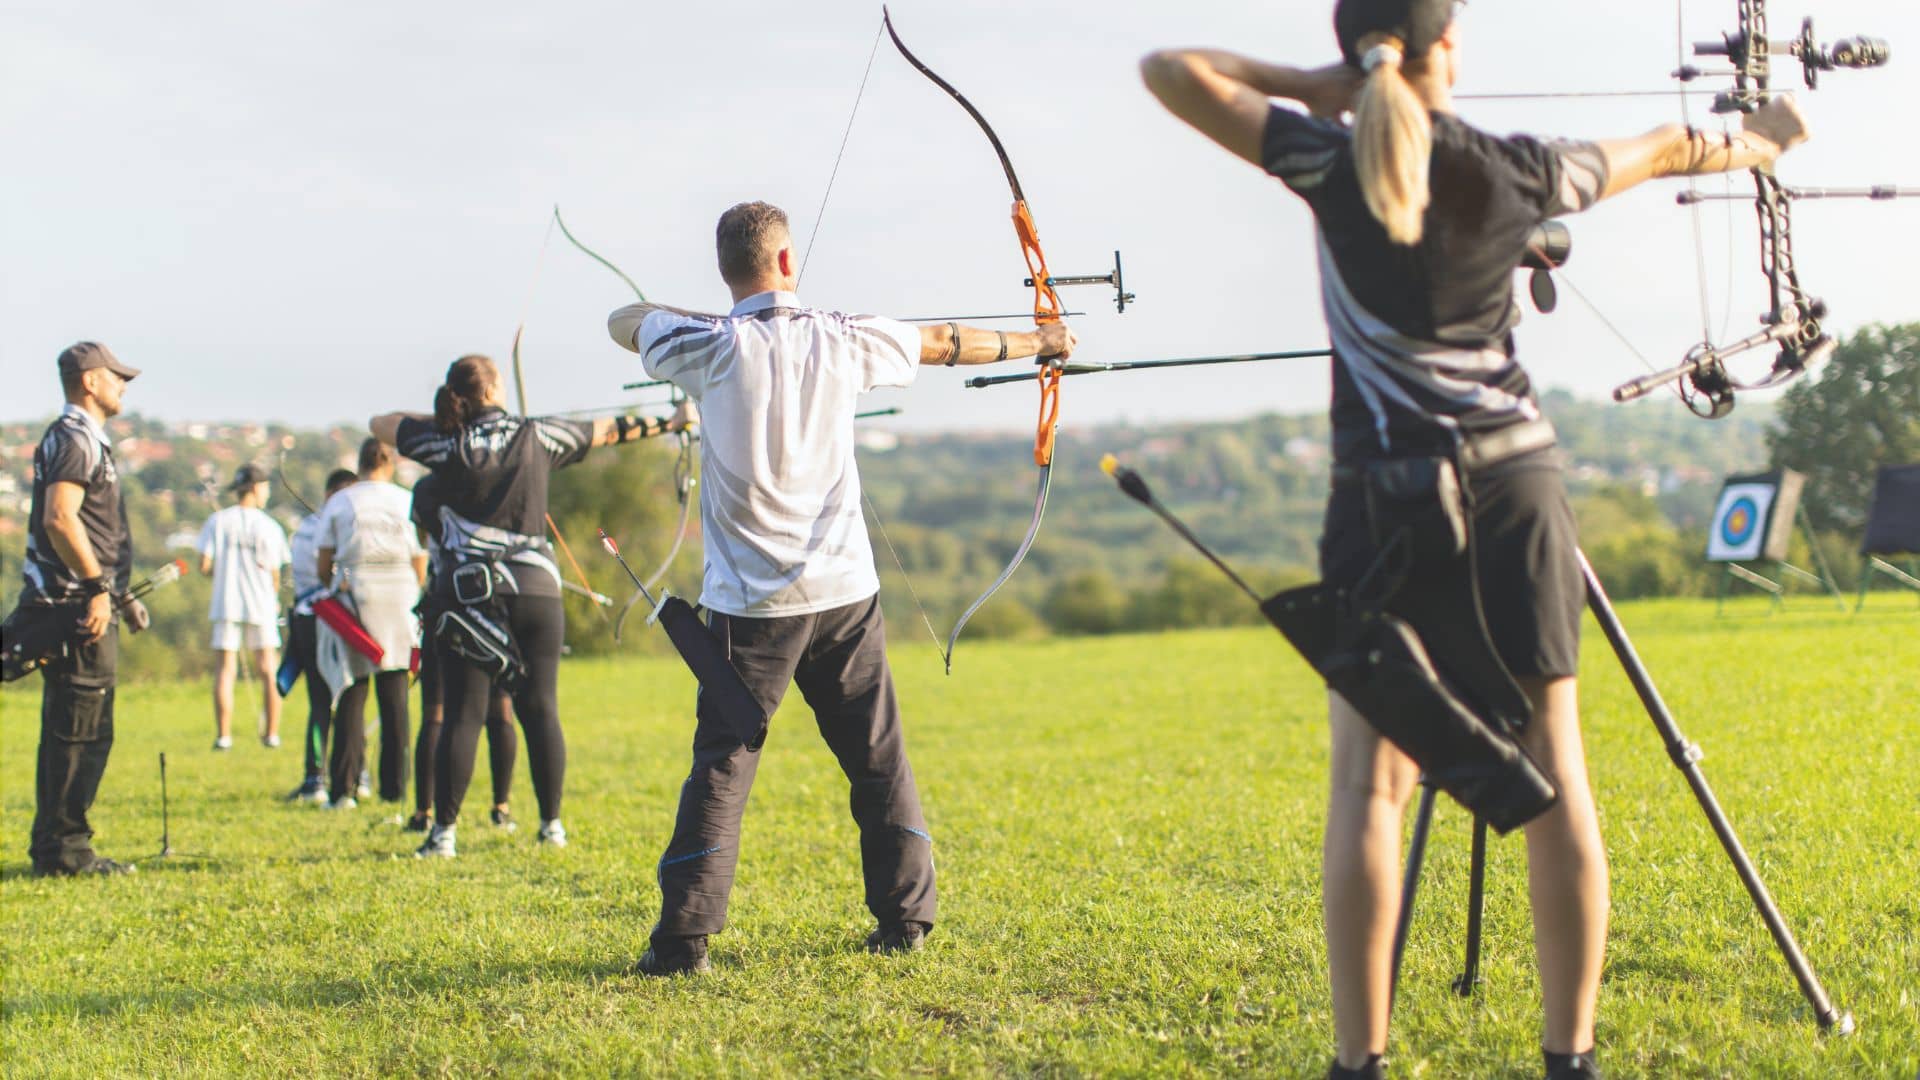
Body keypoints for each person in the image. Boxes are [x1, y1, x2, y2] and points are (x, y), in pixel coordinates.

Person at [1138, 3, 1810, 1077]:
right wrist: (1764, 137)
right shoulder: (1522, 171)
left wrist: (1319, 86)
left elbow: (1169, 68)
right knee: (1557, 771)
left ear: (1362, 48)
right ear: (1448, 49)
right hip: (1517, 492)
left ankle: (1360, 1062)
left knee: (1369, 784)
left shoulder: (1321, 154)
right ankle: (1569, 1057)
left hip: (1382, 500)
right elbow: (1671, 146)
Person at [605, 200, 1077, 975]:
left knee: (723, 762)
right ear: (788, 261)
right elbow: (948, 343)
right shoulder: (842, 335)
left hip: (748, 613)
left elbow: (625, 319)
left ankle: (684, 942)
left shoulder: (701, 344)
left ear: (726, 273)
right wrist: (1042, 341)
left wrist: (688, 311)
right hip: (844, 596)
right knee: (877, 758)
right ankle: (906, 921)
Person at [370, 355, 694, 858]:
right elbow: (610, 431)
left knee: (462, 713)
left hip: (472, 597)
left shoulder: (444, 442)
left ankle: (444, 836)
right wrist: (672, 423)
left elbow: (381, 425)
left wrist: (451, 423)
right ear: (497, 387)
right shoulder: (537, 435)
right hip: (535, 590)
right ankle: (551, 826)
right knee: (540, 709)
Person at [15, 343, 144, 876]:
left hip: (86, 602)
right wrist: (96, 587)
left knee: (82, 729)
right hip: (75, 609)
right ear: (90, 382)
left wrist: (120, 594)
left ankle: (60, 845)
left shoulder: (81, 438)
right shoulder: (74, 437)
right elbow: (60, 519)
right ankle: (65, 852)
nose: (124, 386)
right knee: (79, 731)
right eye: (117, 377)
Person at [314, 439, 428, 810]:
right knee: (395, 696)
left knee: (351, 693)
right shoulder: (404, 499)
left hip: (356, 594)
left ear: (360, 464)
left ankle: (343, 787)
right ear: (389, 464)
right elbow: (419, 559)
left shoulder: (342, 500)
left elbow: (323, 562)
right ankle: (395, 787)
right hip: (400, 595)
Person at [406, 470, 520, 834]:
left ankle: (426, 812)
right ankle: (500, 806)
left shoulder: (427, 485)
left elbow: (422, 541)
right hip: (492, 605)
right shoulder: (496, 483)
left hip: (447, 604)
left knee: (438, 713)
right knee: (499, 709)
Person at [199, 462, 291, 750]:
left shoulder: (217, 521)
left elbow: (204, 565)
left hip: (226, 602)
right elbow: (276, 573)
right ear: (256, 488)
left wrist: (224, 574)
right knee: (269, 669)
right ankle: (271, 734)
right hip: (261, 603)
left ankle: (223, 735)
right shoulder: (270, 526)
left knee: (225, 670)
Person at [284, 468, 358, 804]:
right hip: (319, 620)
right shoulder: (314, 530)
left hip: (332, 619)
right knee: (329, 701)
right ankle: (319, 776)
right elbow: (323, 576)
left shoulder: (325, 528)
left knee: (345, 699)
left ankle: (349, 773)